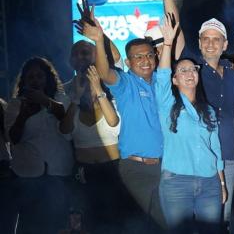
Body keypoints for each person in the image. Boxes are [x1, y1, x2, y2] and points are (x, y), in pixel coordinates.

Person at [81, 14, 166, 231]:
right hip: (135, 169)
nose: (145, 60)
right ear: (128, 62)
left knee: (165, 226)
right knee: (138, 226)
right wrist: (99, 40)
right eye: (138, 57)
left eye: (149, 55)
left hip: (166, 167)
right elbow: (105, 72)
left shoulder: (164, 81)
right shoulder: (126, 83)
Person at [155, 16, 226, 233]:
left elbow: (216, 151)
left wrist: (222, 183)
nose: (189, 73)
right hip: (177, 183)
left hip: (209, 182)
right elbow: (162, 75)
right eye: (183, 70)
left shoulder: (209, 110)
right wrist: (168, 44)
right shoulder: (167, 104)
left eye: (192, 69)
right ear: (175, 80)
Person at [179, 17, 234, 231]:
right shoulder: (192, 72)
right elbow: (178, 42)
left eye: (216, 40)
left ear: (225, 45)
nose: (210, 43)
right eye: (205, 39)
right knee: (202, 219)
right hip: (200, 159)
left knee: (224, 217)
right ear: (198, 42)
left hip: (229, 157)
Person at [4, 57, 73, 233]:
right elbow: (13, 138)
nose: (35, 80)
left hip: (58, 173)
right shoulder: (15, 105)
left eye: (40, 76)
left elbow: (65, 119)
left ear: (48, 78)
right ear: (24, 81)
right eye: (31, 77)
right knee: (31, 226)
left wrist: (45, 101)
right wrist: (23, 115)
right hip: (28, 175)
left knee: (58, 225)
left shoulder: (61, 99)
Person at [60, 64, 121, 233]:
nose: (89, 88)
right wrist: (76, 98)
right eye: (85, 84)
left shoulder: (112, 104)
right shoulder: (73, 109)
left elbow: (114, 123)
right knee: (87, 222)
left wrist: (97, 88)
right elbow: (65, 131)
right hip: (84, 172)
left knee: (114, 218)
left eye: (92, 82)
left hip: (111, 169)